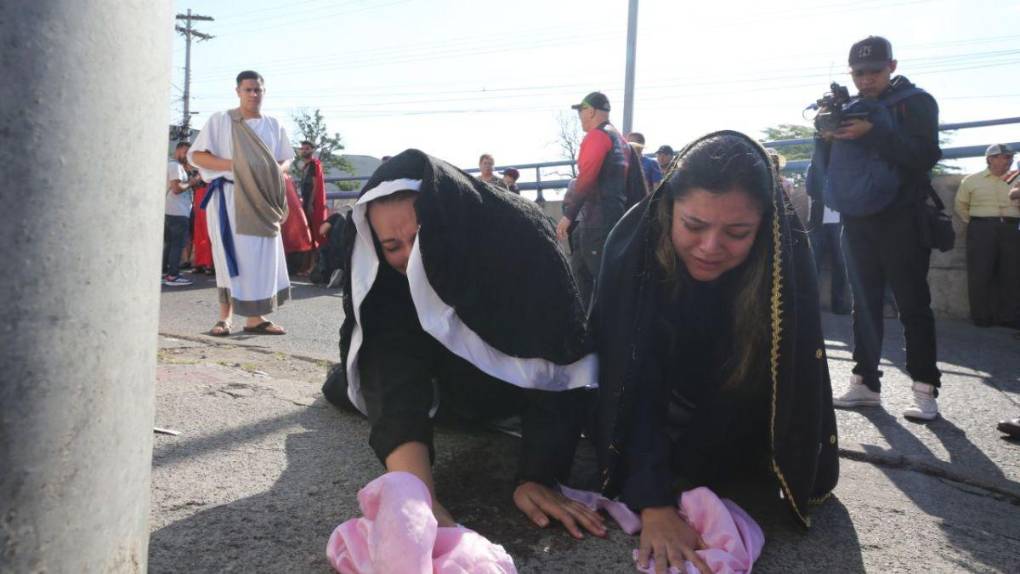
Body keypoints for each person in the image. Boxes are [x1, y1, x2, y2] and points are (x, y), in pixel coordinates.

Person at [321, 149, 605, 539]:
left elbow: (561, 353)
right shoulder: (390, 276)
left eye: (419, 237)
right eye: (392, 247)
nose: (410, 257)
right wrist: (416, 497)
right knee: (344, 390)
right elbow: (390, 363)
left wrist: (539, 474)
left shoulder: (518, 236)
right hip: (446, 388)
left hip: (514, 392)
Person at [589, 132, 838, 572]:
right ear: (668, 210)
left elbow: (775, 383)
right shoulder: (632, 249)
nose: (710, 248)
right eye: (694, 226)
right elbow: (631, 379)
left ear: (763, 229)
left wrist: (691, 481)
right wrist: (654, 501)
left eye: (737, 233)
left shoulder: (784, 258)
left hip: (739, 411)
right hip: (656, 399)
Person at [813, 36, 943, 421]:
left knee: (912, 303)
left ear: (892, 66)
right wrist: (825, 134)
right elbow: (827, 165)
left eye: (874, 71)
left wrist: (874, 132)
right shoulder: (847, 107)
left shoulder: (916, 102)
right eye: (859, 73)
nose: (866, 80)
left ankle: (925, 388)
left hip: (902, 216)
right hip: (856, 217)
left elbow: (924, 156)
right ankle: (865, 383)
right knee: (864, 304)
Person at [188, 70, 294, 337]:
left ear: (263, 92)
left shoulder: (273, 124)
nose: (253, 94)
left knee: (261, 256)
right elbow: (197, 156)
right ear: (238, 91)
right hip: (229, 197)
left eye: (257, 89)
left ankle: (256, 318)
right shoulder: (222, 120)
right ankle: (225, 317)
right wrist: (237, 165)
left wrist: (276, 173)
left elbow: (285, 159)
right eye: (248, 90)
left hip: (263, 197)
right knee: (228, 256)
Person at [555, 91, 634, 306]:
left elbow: (587, 177)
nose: (579, 116)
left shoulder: (597, 137)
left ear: (590, 111)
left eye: (581, 111)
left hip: (596, 223)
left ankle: (606, 331)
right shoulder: (621, 140)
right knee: (580, 273)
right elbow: (634, 186)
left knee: (602, 285)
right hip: (612, 219)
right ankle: (587, 327)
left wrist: (568, 215)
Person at [953, 144, 1020, 328]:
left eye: (1010, 157)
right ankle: (981, 316)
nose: (1009, 160)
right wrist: (978, 224)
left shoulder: (1017, 179)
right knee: (980, 273)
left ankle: (1009, 317)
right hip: (981, 228)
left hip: (1011, 228)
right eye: (1005, 157)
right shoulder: (972, 180)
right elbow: (961, 205)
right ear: (991, 159)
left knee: (1012, 273)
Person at [805, 160, 851, 315]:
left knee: (840, 264)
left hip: (839, 221)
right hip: (818, 221)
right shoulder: (815, 165)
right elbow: (810, 188)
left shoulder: (844, 163)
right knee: (813, 265)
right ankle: (808, 304)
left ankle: (839, 304)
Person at [163, 141, 196, 286]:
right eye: (186, 153)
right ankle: (173, 276)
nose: (187, 156)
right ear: (179, 150)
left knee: (170, 244)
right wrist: (192, 182)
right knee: (176, 244)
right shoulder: (175, 166)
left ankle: (165, 273)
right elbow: (176, 189)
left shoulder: (175, 165)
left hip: (172, 210)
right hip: (178, 211)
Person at [297, 140, 328, 274]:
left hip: (313, 204)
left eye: (307, 148)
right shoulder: (305, 167)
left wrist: (310, 203)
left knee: (315, 233)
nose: (304, 151)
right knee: (308, 233)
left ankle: (314, 267)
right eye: (303, 149)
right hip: (306, 202)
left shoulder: (315, 165)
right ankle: (308, 266)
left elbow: (316, 185)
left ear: (312, 150)